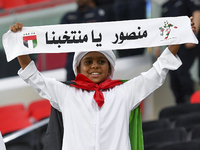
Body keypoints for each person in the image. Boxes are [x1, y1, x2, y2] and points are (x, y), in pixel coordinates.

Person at [9, 20, 196, 150]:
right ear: (78, 68)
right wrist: (19, 42)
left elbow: (158, 71)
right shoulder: (65, 93)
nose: (95, 66)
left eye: (101, 61)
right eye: (88, 61)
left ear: (110, 68)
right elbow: (33, 75)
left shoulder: (124, 92)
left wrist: (180, 34)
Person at [160, 0, 200, 104]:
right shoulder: (165, 6)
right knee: (173, 76)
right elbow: (161, 27)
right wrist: (157, 46)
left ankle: (191, 102)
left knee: (182, 71)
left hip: (188, 43)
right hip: (173, 45)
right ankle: (179, 104)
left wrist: (192, 36)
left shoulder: (187, 1)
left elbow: (197, 14)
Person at [60, 0, 106, 81]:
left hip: (94, 57)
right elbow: (60, 36)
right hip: (73, 59)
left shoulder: (97, 13)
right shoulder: (68, 16)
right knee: (71, 87)